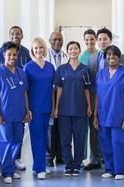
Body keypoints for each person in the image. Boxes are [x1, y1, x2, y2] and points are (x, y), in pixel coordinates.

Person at [0, 26, 31, 170]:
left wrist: (27, 110)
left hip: (18, 110)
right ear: (4, 55)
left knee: (17, 140)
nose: (12, 57)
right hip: (5, 109)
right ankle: (7, 171)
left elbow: (25, 91)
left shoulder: (22, 69)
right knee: (5, 140)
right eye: (9, 55)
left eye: (14, 55)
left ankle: (12, 164)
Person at [84, 27, 124, 171]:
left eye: (105, 39)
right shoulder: (92, 59)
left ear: (110, 40)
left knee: (114, 136)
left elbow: (122, 81)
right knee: (95, 130)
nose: (102, 42)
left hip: (114, 103)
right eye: (100, 39)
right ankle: (95, 159)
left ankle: (115, 164)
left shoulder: (119, 58)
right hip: (97, 101)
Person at [93, 45, 124, 180]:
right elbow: (97, 96)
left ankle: (121, 171)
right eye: (108, 55)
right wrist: (95, 115)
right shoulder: (100, 73)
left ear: (118, 56)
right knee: (106, 143)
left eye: (114, 54)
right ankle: (110, 169)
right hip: (103, 114)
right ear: (105, 57)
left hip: (119, 115)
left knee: (118, 142)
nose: (111, 57)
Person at [54, 41, 93, 176]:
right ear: (67, 51)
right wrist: (56, 107)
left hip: (80, 109)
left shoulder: (85, 70)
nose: (73, 51)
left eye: (76, 48)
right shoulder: (61, 69)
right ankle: (68, 165)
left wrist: (89, 106)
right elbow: (59, 89)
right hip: (64, 109)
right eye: (70, 49)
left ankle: (77, 165)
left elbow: (87, 90)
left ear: (79, 50)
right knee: (65, 139)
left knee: (79, 138)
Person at [23, 37, 55, 179]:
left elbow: (52, 89)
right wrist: (27, 109)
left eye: (41, 47)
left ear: (44, 49)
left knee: (44, 137)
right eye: (35, 48)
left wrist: (54, 107)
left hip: (47, 106)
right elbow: (25, 91)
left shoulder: (50, 66)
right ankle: (41, 168)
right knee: (37, 137)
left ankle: (38, 165)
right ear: (32, 50)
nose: (38, 50)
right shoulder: (28, 67)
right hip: (34, 108)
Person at [45, 32, 68, 167]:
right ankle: (49, 156)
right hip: (49, 96)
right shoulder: (45, 56)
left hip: (63, 96)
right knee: (50, 128)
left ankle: (60, 156)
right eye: (54, 39)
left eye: (60, 39)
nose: (57, 42)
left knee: (62, 127)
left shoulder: (66, 57)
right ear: (50, 41)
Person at [79, 29, 100, 161]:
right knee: (85, 129)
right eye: (86, 39)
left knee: (97, 127)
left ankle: (99, 155)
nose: (89, 42)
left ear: (96, 39)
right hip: (86, 95)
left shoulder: (100, 54)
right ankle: (84, 156)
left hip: (99, 95)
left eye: (92, 39)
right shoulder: (82, 57)